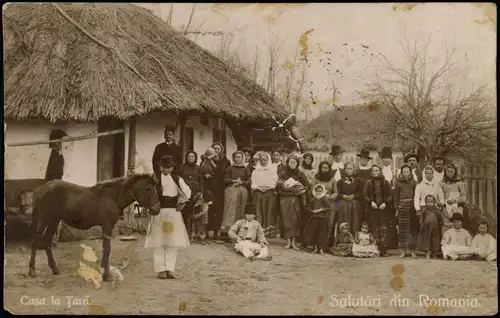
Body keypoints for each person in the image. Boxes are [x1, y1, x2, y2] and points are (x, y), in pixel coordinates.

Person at [145, 155, 191, 279]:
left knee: (172, 242)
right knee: (158, 241)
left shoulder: (177, 179)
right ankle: (160, 269)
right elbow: (148, 194)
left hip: (173, 213)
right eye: (164, 167)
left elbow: (187, 191)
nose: (167, 170)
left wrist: (182, 202)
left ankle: (170, 268)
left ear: (172, 168)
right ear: (160, 168)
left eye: (169, 167)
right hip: (159, 212)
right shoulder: (155, 179)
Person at [276, 155, 309, 250]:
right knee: (286, 219)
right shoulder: (283, 173)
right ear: (287, 163)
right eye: (290, 162)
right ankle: (288, 241)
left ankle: (294, 241)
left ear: (297, 164)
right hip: (285, 199)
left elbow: (307, 185)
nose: (292, 164)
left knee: (295, 219)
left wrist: (300, 190)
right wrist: (286, 186)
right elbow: (278, 184)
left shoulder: (300, 174)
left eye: (294, 162)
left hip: (296, 200)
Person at [364, 165, 393, 256]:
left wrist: (385, 203)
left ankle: (383, 249)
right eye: (374, 171)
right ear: (371, 172)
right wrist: (371, 202)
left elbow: (390, 195)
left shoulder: (385, 182)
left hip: (383, 209)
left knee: (383, 228)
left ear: (380, 171)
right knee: (374, 227)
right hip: (373, 209)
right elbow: (364, 195)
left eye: (377, 170)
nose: (375, 172)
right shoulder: (368, 183)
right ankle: (374, 248)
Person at [220, 151, 251, 236]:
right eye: (236, 157)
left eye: (240, 157)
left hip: (242, 190)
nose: (238, 159)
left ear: (242, 158)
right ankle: (228, 227)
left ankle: (241, 228)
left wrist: (241, 183)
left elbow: (249, 181)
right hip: (231, 188)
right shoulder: (229, 168)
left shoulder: (245, 169)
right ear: (234, 158)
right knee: (231, 206)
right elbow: (225, 179)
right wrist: (233, 181)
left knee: (242, 206)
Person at [46, 129, 67, 247]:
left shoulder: (57, 155)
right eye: (56, 143)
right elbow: (54, 172)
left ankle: (54, 239)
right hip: (53, 186)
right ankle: (51, 239)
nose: (58, 145)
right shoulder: (54, 156)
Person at [178, 151, 205, 242]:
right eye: (189, 156)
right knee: (185, 214)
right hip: (185, 193)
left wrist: (201, 192)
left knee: (195, 213)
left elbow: (201, 181)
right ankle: (184, 234)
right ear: (186, 157)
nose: (191, 158)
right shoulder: (182, 167)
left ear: (195, 158)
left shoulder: (198, 168)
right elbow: (178, 180)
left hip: (196, 194)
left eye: (192, 156)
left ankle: (193, 234)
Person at [310, 161, 338, 247]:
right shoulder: (316, 179)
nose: (324, 169)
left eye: (326, 168)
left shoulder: (332, 179)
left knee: (329, 225)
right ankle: (316, 245)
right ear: (320, 168)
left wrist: (330, 196)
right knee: (318, 225)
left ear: (329, 169)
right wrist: (320, 195)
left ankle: (325, 245)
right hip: (318, 205)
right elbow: (311, 191)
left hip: (330, 205)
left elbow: (336, 192)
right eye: (323, 168)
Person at [394, 164, 418, 258]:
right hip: (402, 207)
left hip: (412, 207)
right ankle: (404, 250)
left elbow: (416, 196)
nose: (406, 173)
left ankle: (412, 250)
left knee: (412, 229)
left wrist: (416, 207)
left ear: (410, 172)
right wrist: (397, 208)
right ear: (402, 173)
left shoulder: (414, 183)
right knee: (403, 229)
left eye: (407, 171)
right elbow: (396, 196)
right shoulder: (398, 183)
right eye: (404, 172)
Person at [208, 142, 231, 241]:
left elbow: (222, 173)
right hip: (209, 186)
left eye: (218, 149)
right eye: (214, 149)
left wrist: (213, 163)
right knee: (209, 207)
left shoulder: (226, 161)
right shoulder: (208, 158)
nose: (216, 151)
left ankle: (217, 230)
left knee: (218, 209)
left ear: (221, 150)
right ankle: (208, 230)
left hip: (220, 187)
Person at [334, 162, 364, 237]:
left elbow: (361, 193)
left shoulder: (358, 180)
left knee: (354, 221)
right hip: (343, 204)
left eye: (351, 169)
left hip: (354, 204)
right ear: (345, 170)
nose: (349, 170)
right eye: (347, 169)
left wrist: (354, 196)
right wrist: (343, 196)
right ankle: (342, 238)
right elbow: (337, 193)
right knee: (343, 219)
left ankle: (354, 236)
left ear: (354, 170)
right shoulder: (340, 181)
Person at [251, 152, 278, 235]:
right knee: (258, 211)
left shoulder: (272, 170)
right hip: (258, 192)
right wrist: (259, 188)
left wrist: (268, 188)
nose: (263, 161)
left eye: (265, 160)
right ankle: (259, 230)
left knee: (268, 211)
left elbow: (274, 181)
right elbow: (253, 182)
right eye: (261, 160)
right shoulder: (255, 170)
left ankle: (268, 230)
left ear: (268, 160)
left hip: (269, 192)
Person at [441, 163, 468, 234]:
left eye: (451, 172)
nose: (450, 173)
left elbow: (464, 196)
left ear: (454, 172)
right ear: (445, 173)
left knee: (457, 224)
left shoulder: (460, 183)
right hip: (446, 207)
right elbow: (440, 195)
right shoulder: (442, 183)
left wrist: (455, 201)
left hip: (457, 207)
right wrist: (443, 204)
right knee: (446, 225)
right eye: (448, 172)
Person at [303, 184, 330, 255]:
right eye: (317, 191)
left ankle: (321, 249)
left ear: (323, 191)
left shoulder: (324, 199)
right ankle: (315, 248)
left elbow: (328, 208)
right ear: (314, 191)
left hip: (322, 219)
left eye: (320, 191)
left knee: (322, 234)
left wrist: (322, 209)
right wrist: (312, 211)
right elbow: (308, 208)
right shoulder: (313, 199)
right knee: (314, 233)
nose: (318, 193)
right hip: (314, 219)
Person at [199, 147, 217, 239]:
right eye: (208, 154)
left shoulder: (216, 161)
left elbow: (218, 172)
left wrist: (212, 175)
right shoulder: (203, 161)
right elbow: (200, 172)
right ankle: (203, 231)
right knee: (204, 209)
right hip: (205, 187)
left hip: (214, 187)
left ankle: (211, 231)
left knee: (213, 210)